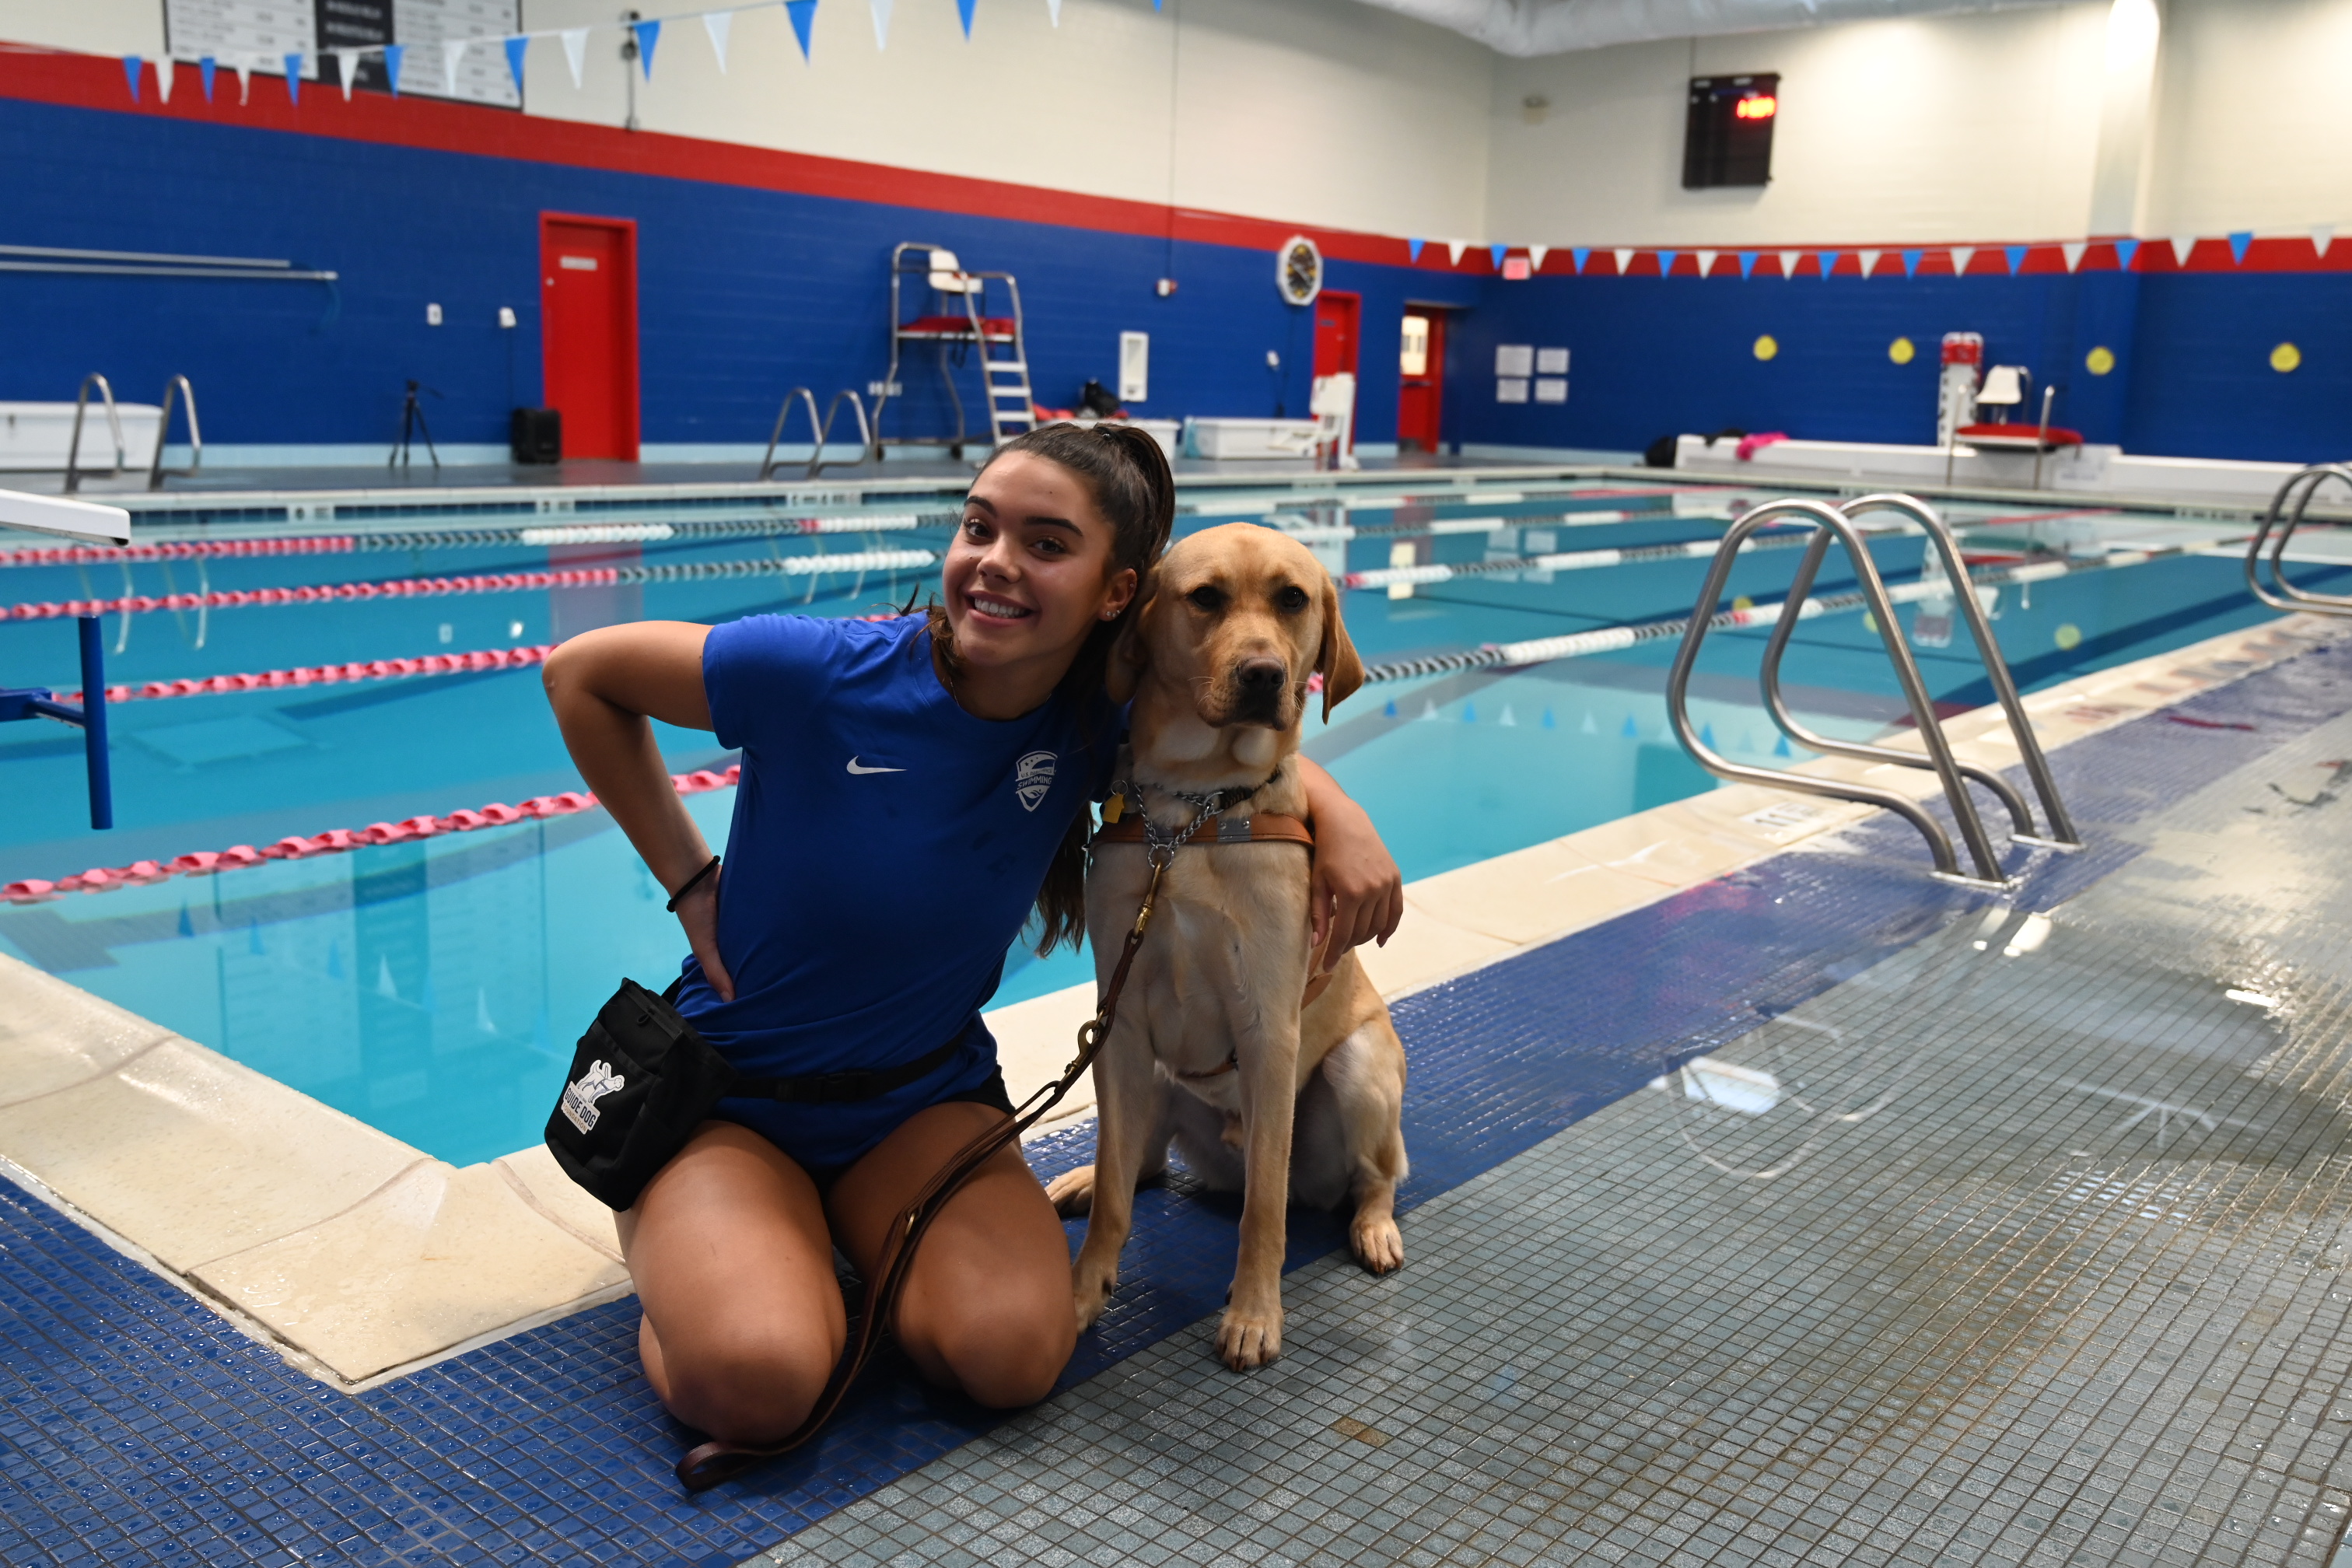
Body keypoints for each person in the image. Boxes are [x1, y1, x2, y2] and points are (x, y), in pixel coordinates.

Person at [541, 423, 1404, 1445]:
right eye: (979, 529)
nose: (996, 563)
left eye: (1045, 545)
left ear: (1118, 594)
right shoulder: (824, 670)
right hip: (735, 1095)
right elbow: (581, 672)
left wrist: (1335, 810)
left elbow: (1222, 732)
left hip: (917, 1102)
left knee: (1012, 1357)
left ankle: (810, 1249)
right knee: (760, 1384)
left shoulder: (1089, 724)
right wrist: (690, 879)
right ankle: (740, 1245)